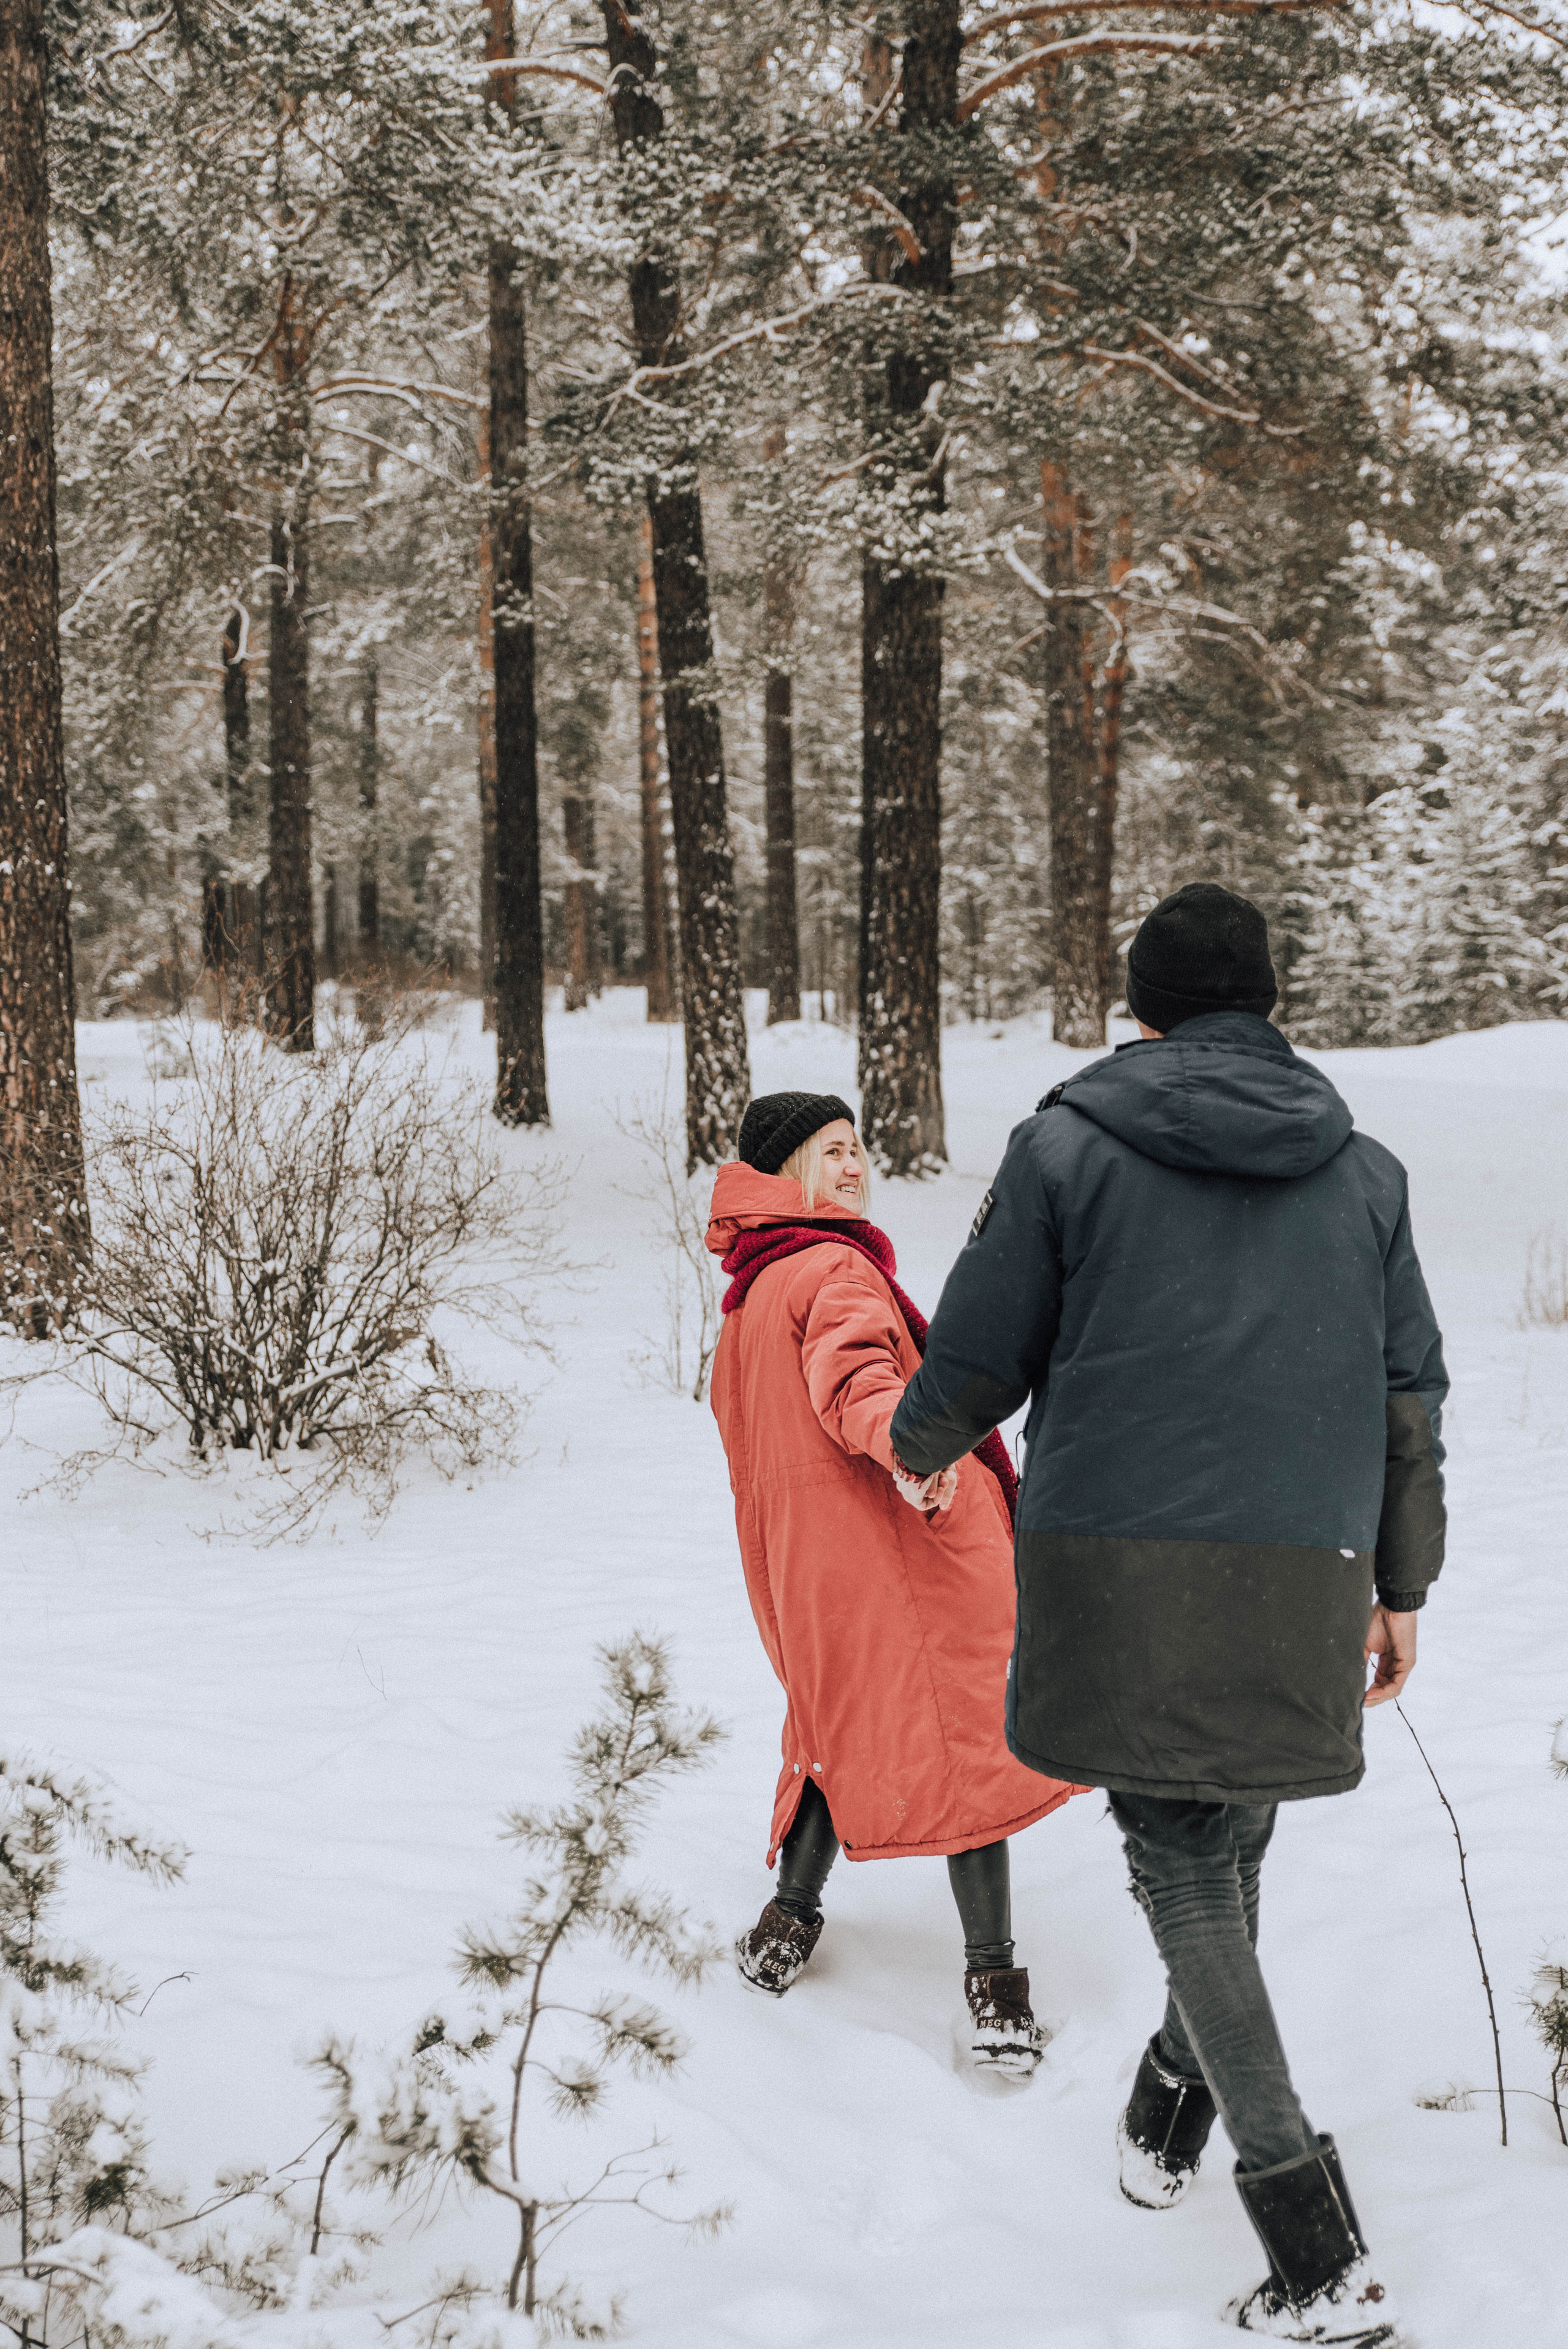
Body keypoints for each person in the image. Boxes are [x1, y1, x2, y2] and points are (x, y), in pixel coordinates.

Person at [890, 884, 1447, 2345]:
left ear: (1138, 1008)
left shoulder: (1064, 1146)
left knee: (1188, 1869)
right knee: (1221, 1835)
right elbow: (1406, 1399)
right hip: (1303, 1567)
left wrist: (916, 1441)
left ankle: (1313, 2252)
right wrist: (1399, 1584)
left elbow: (980, 1347)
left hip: (1116, 1566)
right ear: (1267, 1005)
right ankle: (1163, 2112)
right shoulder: (1364, 1172)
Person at [706, 1090, 1080, 2076]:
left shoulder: (751, 1293)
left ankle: (786, 1924)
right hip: (902, 1552)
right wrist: (911, 1450)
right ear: (787, 1170)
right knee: (963, 1742)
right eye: (833, 1150)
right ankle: (994, 1984)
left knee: (834, 1729)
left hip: (808, 1568)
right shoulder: (832, 1268)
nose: (856, 1164)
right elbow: (859, 1381)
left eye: (859, 1147)